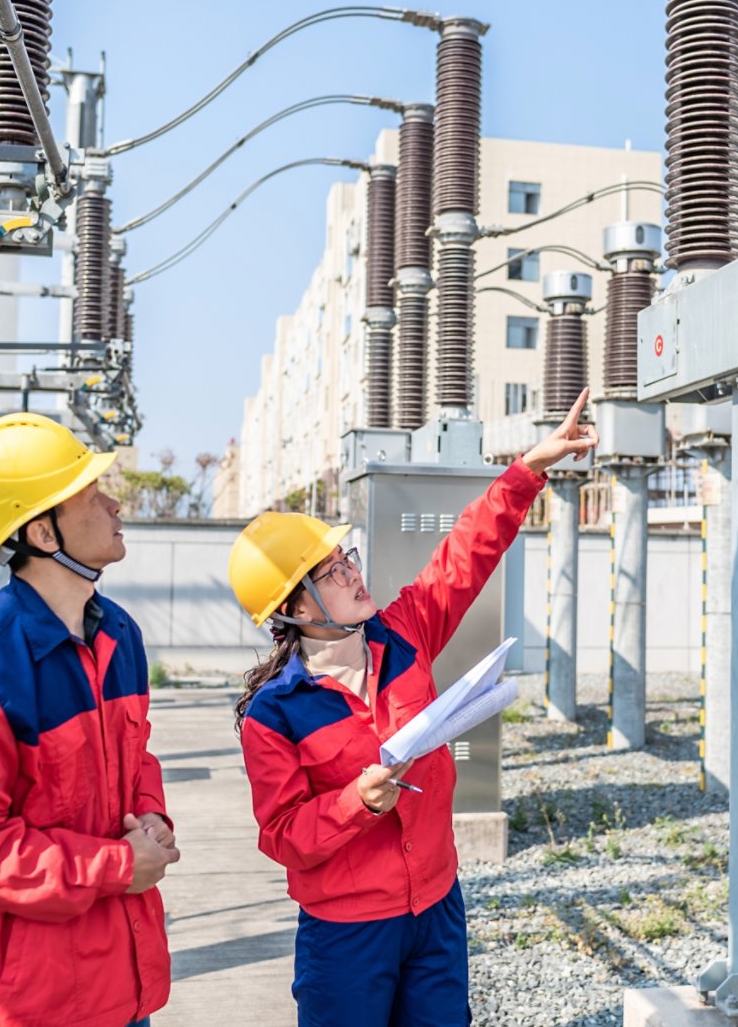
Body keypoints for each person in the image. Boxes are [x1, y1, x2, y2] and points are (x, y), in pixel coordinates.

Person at [230, 388, 598, 1027]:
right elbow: (282, 834)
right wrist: (357, 804)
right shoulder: (275, 713)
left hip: (435, 908)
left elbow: (464, 556)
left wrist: (529, 469)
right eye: (330, 570)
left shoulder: (403, 634)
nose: (351, 571)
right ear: (295, 608)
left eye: (345, 557)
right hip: (346, 934)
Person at [0, 413, 180, 1027]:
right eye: (91, 493)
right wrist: (118, 866)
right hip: (34, 1003)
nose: (114, 503)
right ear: (44, 533)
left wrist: (151, 815)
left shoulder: (118, 635)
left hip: (122, 985)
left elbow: (135, 758)